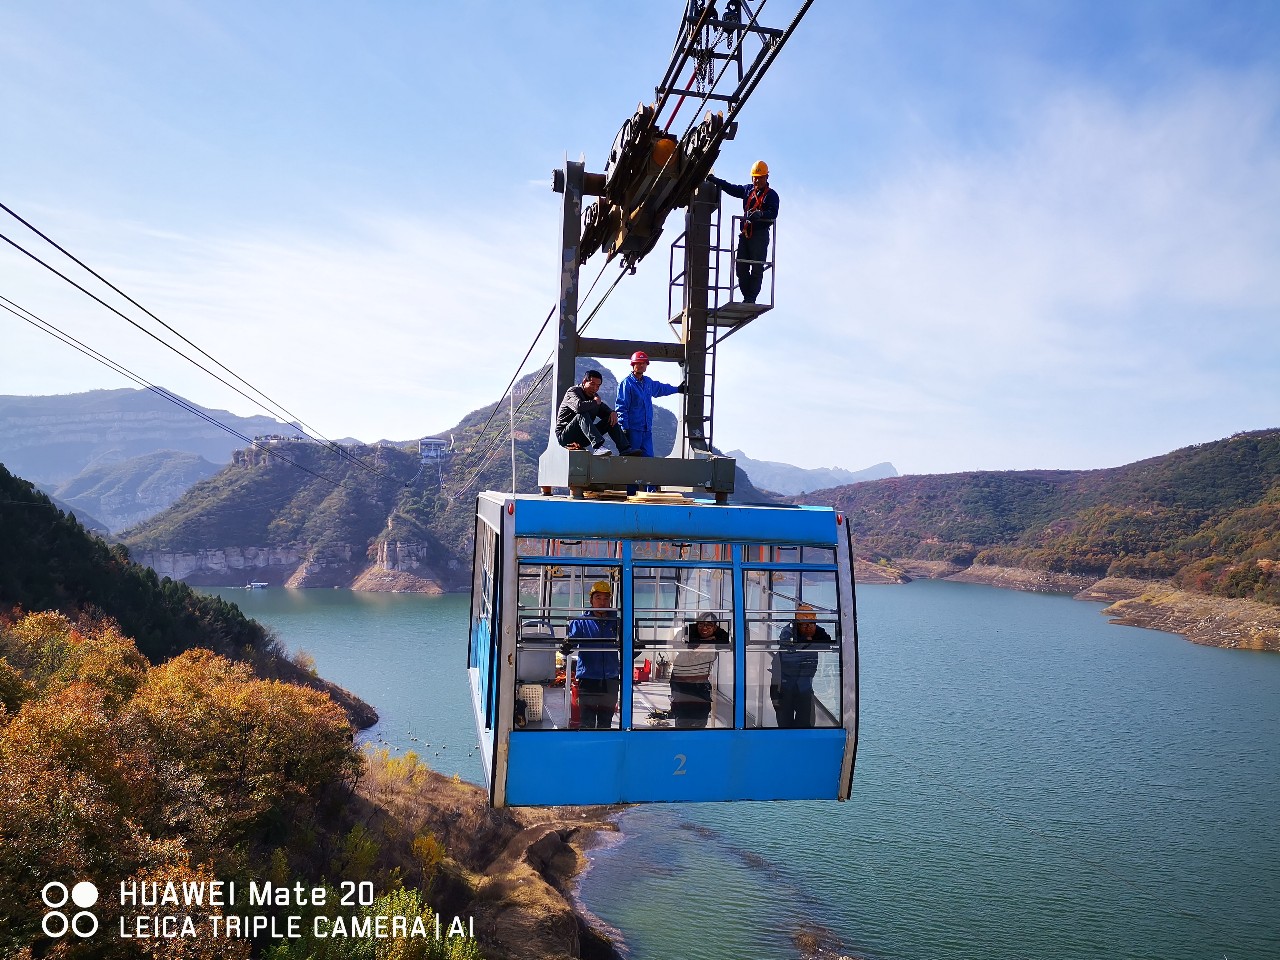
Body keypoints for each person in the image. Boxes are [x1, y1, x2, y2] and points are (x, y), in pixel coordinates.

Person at [707, 160, 779, 303]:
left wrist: (761, 214)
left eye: (760, 177)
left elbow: (773, 213)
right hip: (746, 234)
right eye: (755, 177)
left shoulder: (771, 195)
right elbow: (732, 188)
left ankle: (750, 298)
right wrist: (716, 181)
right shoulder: (748, 190)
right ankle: (747, 296)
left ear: (766, 177)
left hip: (759, 235)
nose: (757, 180)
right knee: (740, 267)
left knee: (757, 268)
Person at [564, 580, 621, 729]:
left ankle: (605, 751)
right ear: (591, 600)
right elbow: (572, 641)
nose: (602, 602)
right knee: (587, 722)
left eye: (605, 598)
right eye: (598, 598)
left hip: (610, 678)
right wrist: (566, 645)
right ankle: (587, 751)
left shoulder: (617, 622)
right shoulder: (581, 622)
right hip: (588, 678)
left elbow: (626, 643)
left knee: (605, 722)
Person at [770, 604, 832, 728]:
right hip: (783, 685)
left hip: (804, 685)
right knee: (784, 724)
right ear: (798, 623)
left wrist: (809, 638)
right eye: (805, 624)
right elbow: (789, 646)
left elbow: (827, 643)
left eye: (812, 623)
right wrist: (808, 639)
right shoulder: (787, 631)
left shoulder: (816, 630)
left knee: (806, 724)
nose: (809, 627)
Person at [615, 350, 686, 459]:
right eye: (639, 363)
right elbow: (621, 407)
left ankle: (645, 477)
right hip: (633, 429)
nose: (642, 365)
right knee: (631, 459)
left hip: (646, 429)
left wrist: (678, 389)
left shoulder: (648, 382)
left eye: (644, 363)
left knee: (648, 459)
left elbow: (661, 388)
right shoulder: (626, 384)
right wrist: (624, 428)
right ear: (633, 365)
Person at [669, 611, 729, 728]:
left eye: (710, 625)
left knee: (700, 718)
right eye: (702, 624)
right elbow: (678, 646)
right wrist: (706, 643)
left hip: (699, 684)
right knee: (682, 718)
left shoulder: (718, 637)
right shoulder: (686, 632)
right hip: (681, 682)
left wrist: (710, 641)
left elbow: (728, 641)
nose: (705, 627)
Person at [555, 369, 635, 456]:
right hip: (565, 436)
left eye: (598, 386)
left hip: (583, 438)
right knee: (582, 413)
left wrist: (612, 412)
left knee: (611, 418)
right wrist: (595, 402)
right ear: (585, 381)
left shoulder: (594, 397)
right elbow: (578, 407)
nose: (595, 388)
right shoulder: (573, 392)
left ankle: (625, 449)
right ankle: (598, 447)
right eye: (592, 384)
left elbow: (605, 410)